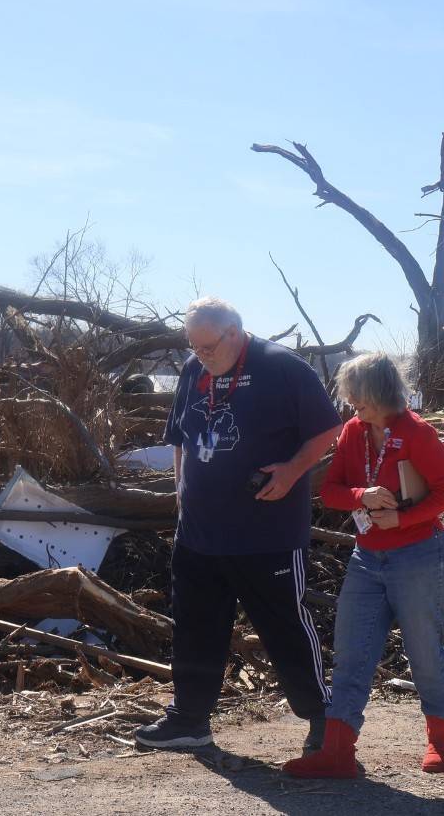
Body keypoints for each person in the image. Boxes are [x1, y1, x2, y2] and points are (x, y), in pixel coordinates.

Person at [134, 298, 341, 751]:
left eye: (208, 346)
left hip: (266, 533)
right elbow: (180, 439)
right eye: (193, 346)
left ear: (234, 332)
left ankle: (324, 722)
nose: (201, 354)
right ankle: (189, 720)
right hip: (199, 532)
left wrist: (291, 471)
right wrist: (180, 494)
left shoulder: (282, 367)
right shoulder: (194, 368)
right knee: (195, 626)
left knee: (284, 626)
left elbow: (328, 428)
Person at [284, 352, 444, 779]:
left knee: (423, 651)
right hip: (367, 557)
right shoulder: (352, 432)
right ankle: (338, 752)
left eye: (357, 395)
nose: (350, 403)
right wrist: (361, 495)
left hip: (418, 555)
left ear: (381, 391)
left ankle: (442, 741)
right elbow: (330, 492)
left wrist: (401, 517)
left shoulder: (418, 434)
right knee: (351, 651)